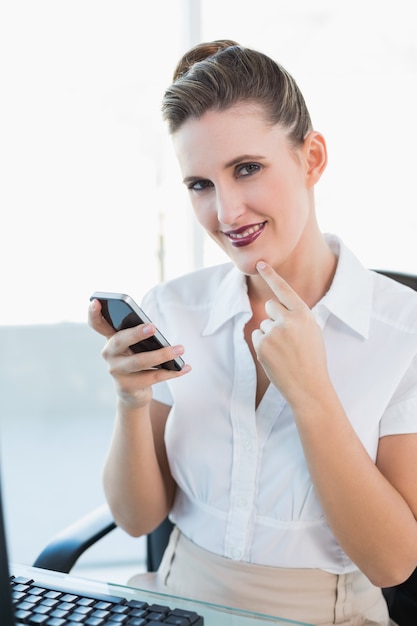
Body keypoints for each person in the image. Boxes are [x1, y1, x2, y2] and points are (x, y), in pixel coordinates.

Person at [88, 40, 417, 625]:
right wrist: (131, 400)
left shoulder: (404, 333)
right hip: (175, 603)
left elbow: (394, 564)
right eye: (200, 185)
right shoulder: (175, 307)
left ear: (311, 159)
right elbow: (139, 518)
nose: (227, 211)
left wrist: (312, 393)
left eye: (247, 169)